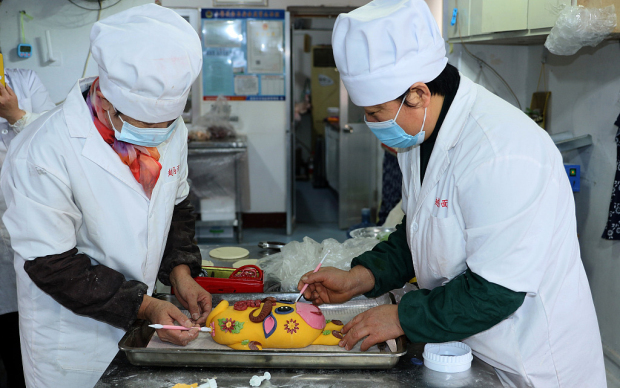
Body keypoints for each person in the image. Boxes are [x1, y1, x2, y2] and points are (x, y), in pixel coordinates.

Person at [298, 1, 606, 386]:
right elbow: (423, 231)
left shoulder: (502, 151)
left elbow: (496, 291)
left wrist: (399, 317)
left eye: (377, 113)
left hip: (527, 361)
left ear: (419, 94)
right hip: (462, 344)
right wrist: (360, 277)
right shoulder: (420, 134)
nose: (372, 125)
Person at [0, 5, 211, 388]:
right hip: (73, 338)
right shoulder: (45, 150)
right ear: (107, 98)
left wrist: (180, 274)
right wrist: (147, 306)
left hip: (143, 323)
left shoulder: (171, 130)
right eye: (145, 122)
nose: (159, 133)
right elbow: (51, 263)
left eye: (167, 122)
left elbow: (175, 205)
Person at [0, 69, 55, 388]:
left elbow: (51, 137)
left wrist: (16, 114)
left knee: (23, 323)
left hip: (24, 222)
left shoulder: (24, 80)